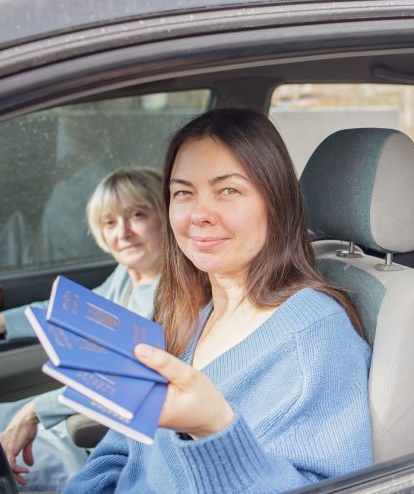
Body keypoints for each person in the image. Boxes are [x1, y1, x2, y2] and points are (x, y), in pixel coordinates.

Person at [64, 108, 372, 493]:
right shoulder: (190, 314)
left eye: (228, 190)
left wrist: (213, 429)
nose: (199, 214)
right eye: (183, 193)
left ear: (274, 202)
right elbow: (121, 451)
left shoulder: (317, 337)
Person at [0, 167, 164, 491]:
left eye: (137, 215)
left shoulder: (171, 292)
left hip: (99, 435)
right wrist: (6, 321)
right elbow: (65, 312)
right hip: (73, 409)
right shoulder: (127, 275)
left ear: (165, 215)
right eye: (110, 222)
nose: (123, 232)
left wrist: (35, 410)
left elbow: (127, 384)